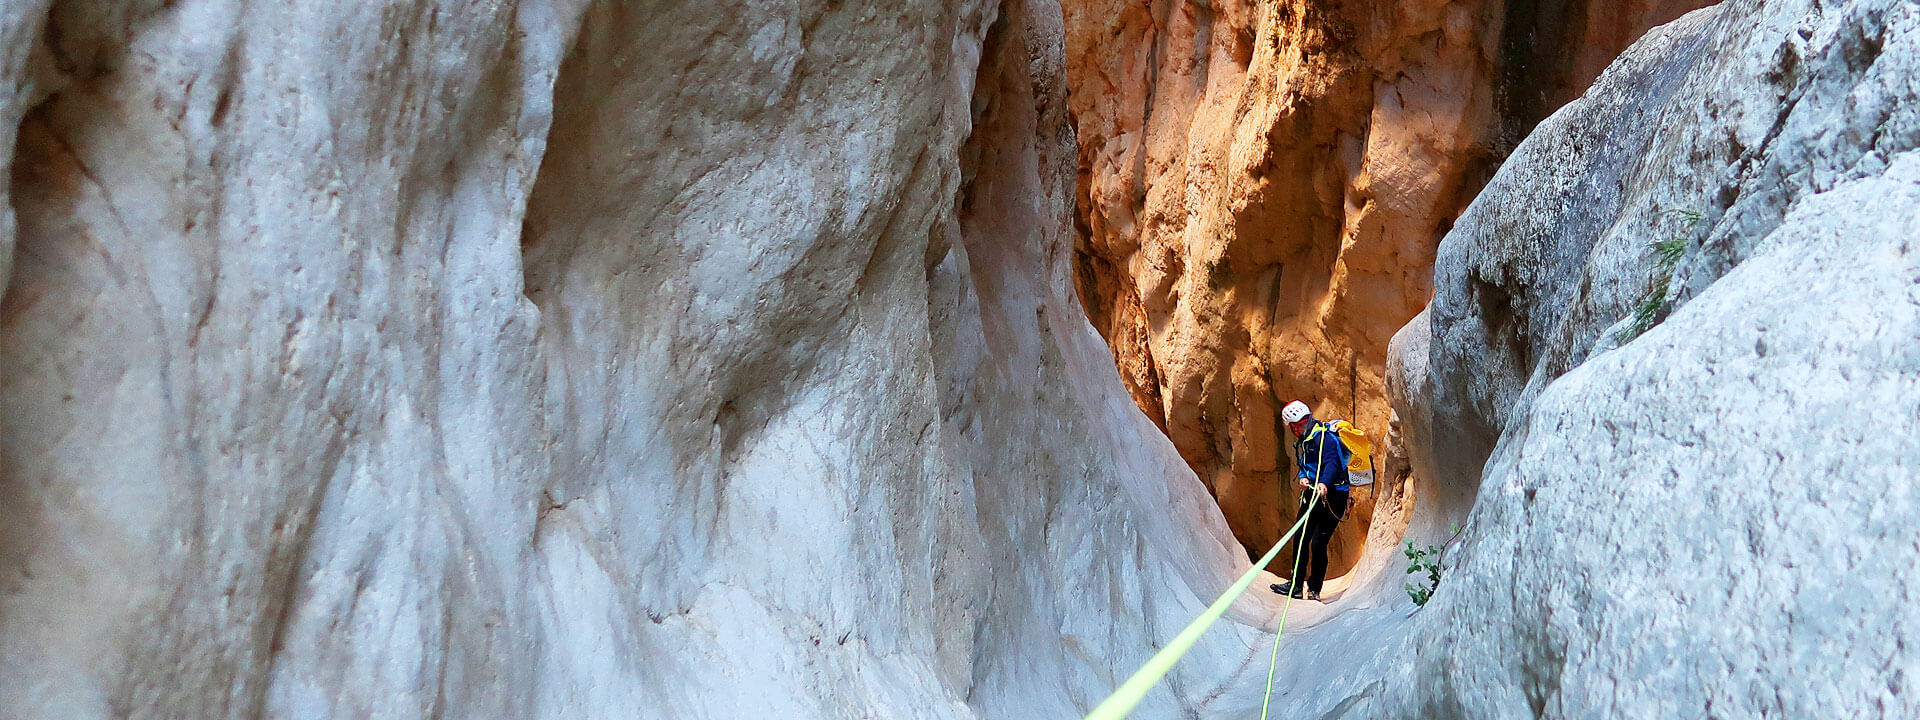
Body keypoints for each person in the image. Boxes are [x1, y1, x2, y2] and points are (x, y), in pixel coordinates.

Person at [1270, 400, 1350, 602]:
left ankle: (1314, 588)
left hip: (1333, 495)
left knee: (1318, 543)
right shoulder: (1306, 440)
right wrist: (1304, 477)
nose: (1299, 427)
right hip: (1313, 493)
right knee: (1300, 538)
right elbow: (1305, 463)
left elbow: (1332, 463)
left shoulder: (1324, 438)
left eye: (1301, 423)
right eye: (1298, 425)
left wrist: (1323, 483)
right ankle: (1296, 586)